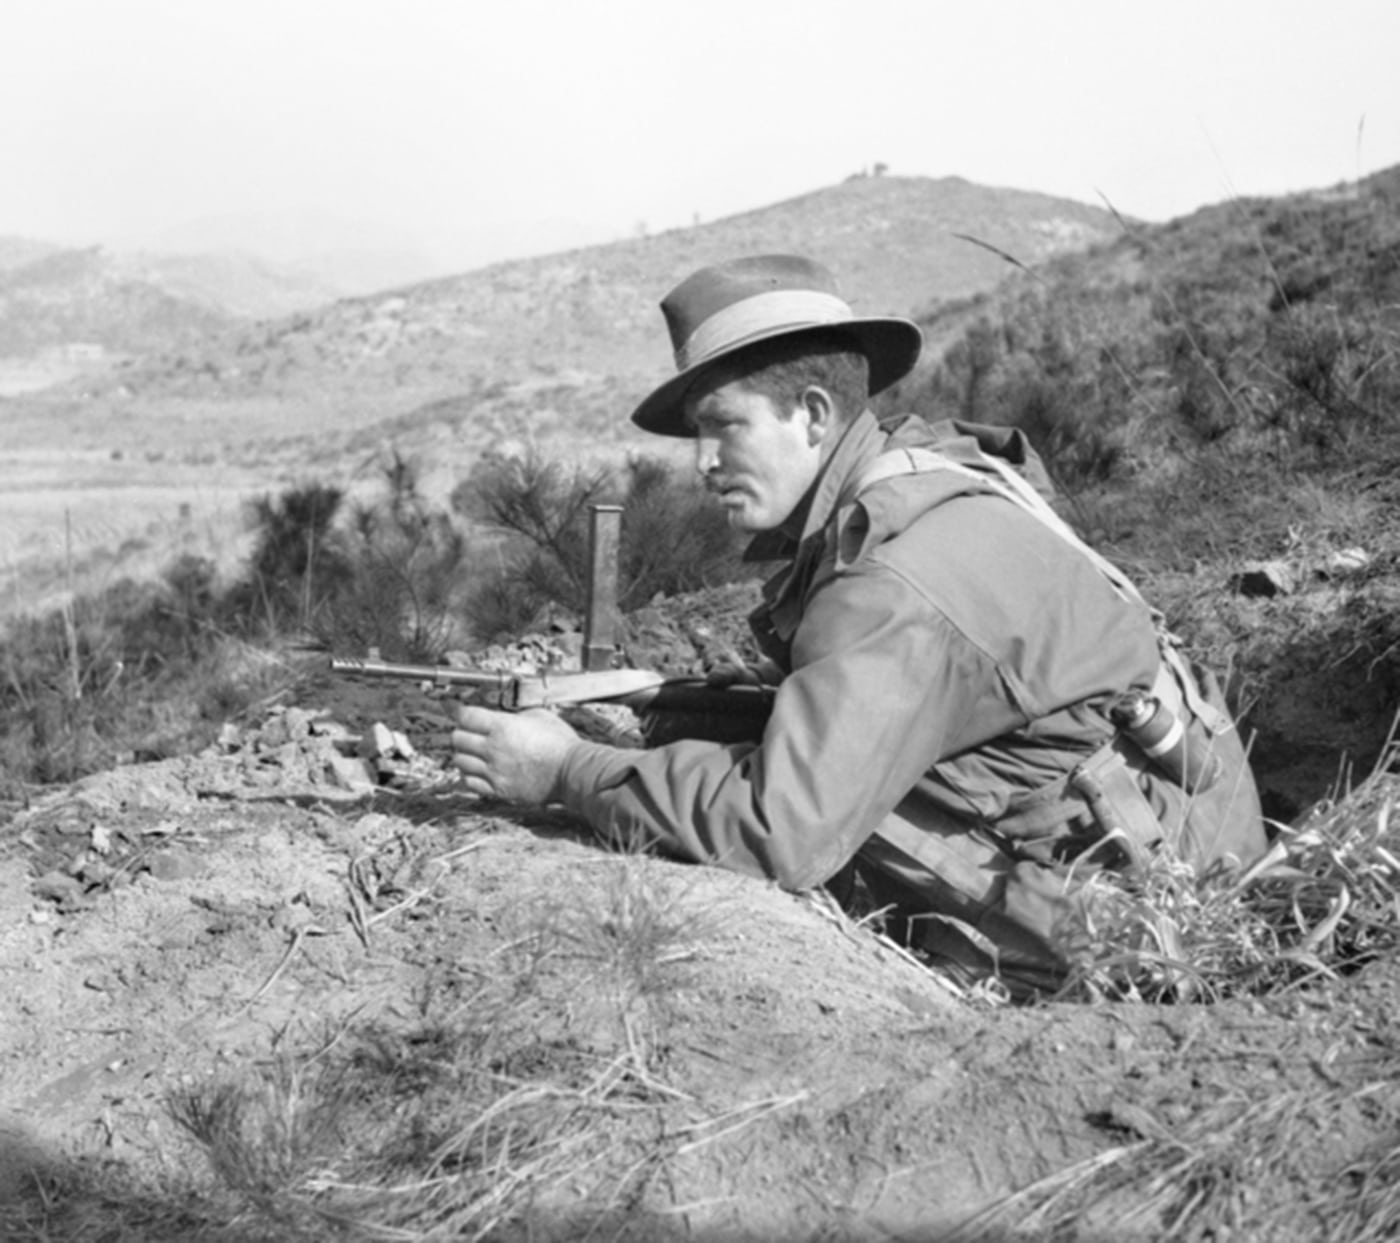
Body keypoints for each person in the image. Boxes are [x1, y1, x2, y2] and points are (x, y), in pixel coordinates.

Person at [451, 254, 1266, 996]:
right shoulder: (930, 463)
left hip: (1153, 923)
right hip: (1190, 834)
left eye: (722, 425)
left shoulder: (890, 577)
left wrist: (566, 770)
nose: (701, 463)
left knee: (826, 821)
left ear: (811, 414)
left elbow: (784, 832)